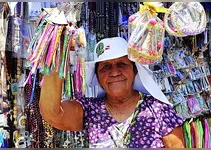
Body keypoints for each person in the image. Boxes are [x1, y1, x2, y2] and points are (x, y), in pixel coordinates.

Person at [39, 37, 185, 148]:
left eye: (122, 64)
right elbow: (53, 114)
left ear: (134, 71)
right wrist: (57, 48)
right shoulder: (91, 110)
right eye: (105, 66)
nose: (114, 72)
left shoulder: (158, 110)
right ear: (97, 76)